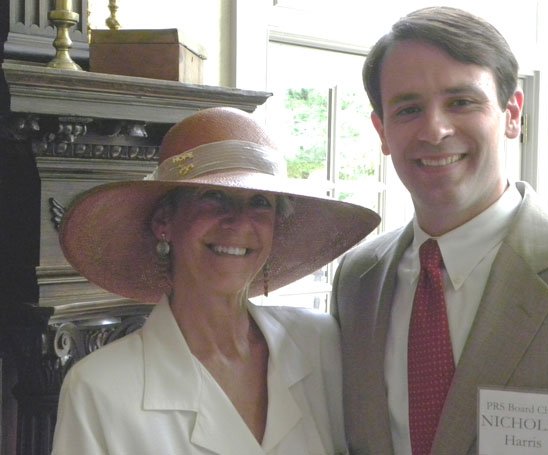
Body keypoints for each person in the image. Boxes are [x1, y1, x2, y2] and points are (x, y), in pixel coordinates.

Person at [330, 6, 548, 454]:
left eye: (461, 101)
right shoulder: (357, 282)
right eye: (409, 108)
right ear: (382, 131)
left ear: (512, 114)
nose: (435, 129)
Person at [51, 106, 380, 455]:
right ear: (165, 221)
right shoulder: (99, 389)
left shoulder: (319, 342)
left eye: (259, 202)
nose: (238, 223)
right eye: (213, 196)